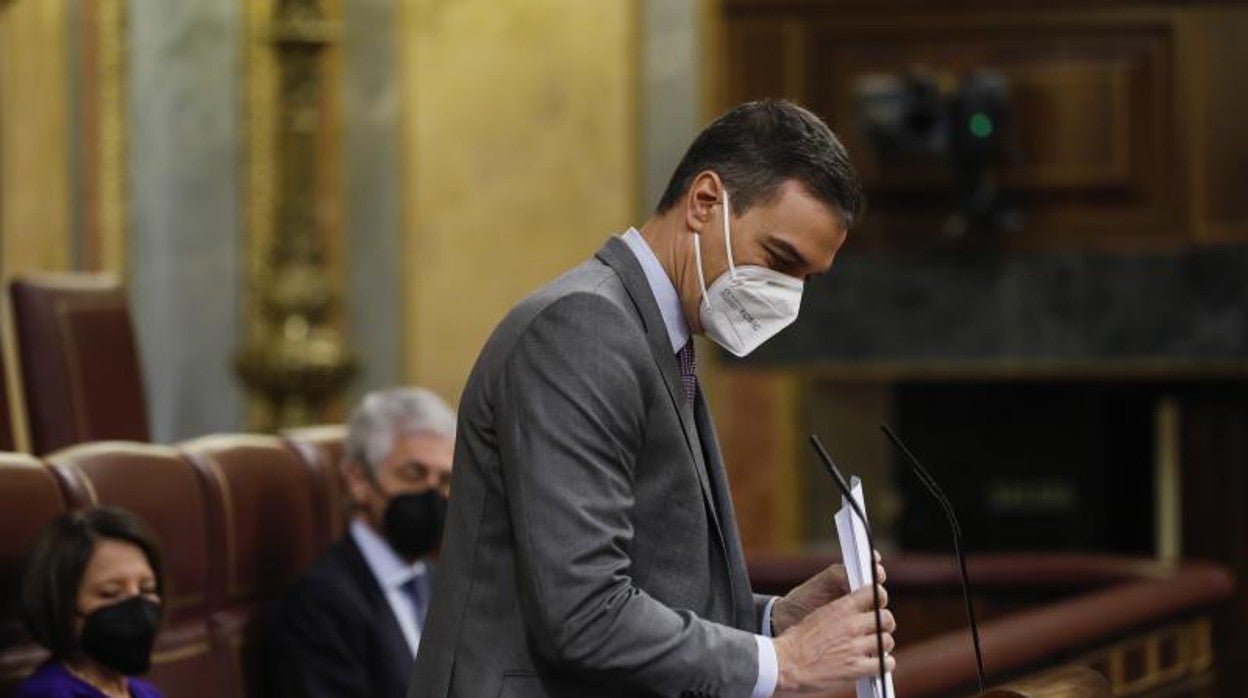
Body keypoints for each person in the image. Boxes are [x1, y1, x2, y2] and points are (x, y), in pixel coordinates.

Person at [409, 98, 895, 697]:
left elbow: (660, 582)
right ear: (704, 202)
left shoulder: (661, 336)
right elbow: (585, 612)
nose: (786, 295)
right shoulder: (585, 328)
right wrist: (784, 664)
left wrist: (775, 623)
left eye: (805, 279)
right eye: (778, 260)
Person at [269, 387, 456, 698]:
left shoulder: (441, 582)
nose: (432, 494)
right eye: (413, 473)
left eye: (445, 481)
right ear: (358, 480)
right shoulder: (319, 605)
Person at [17, 506, 166, 698]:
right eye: (110, 593)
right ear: (62, 605)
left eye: (147, 589)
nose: (137, 606)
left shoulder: (143, 691)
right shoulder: (50, 693)